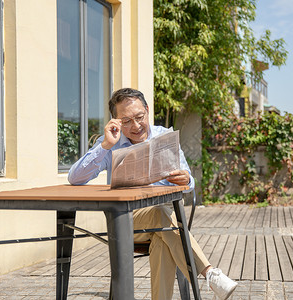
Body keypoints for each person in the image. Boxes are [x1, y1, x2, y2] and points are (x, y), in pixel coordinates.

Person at [68, 88, 237, 300]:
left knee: (161, 236)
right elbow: (75, 178)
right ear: (116, 121)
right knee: (161, 218)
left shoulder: (165, 136)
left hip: (165, 221)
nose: (136, 126)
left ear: (147, 111)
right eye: (126, 120)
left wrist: (186, 180)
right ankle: (209, 273)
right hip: (126, 221)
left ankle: (206, 277)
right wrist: (105, 145)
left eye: (139, 117)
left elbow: (189, 183)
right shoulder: (111, 143)